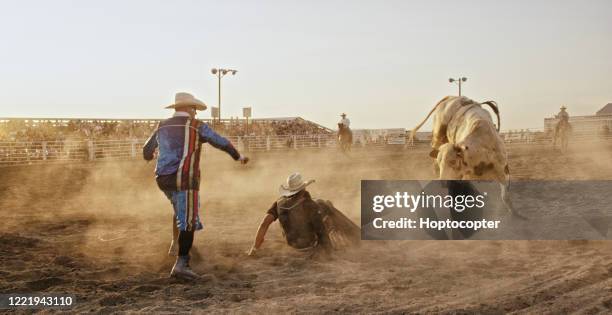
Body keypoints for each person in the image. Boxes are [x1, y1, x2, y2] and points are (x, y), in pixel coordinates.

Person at [143, 92, 249, 279]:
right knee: (188, 220)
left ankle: (175, 244)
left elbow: (146, 151)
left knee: (179, 209)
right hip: (184, 179)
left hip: (162, 179)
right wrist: (237, 156)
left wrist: (151, 157)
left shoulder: (162, 125)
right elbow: (220, 142)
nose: (196, 113)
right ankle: (182, 263)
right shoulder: (195, 126)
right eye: (194, 109)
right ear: (189, 108)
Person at [247, 173, 360, 257]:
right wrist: (329, 252)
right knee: (326, 205)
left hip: (291, 243)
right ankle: (356, 234)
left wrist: (255, 248)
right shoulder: (309, 205)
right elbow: (321, 232)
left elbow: (264, 224)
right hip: (309, 244)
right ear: (303, 188)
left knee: (321, 203)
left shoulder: (279, 203)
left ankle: (354, 232)